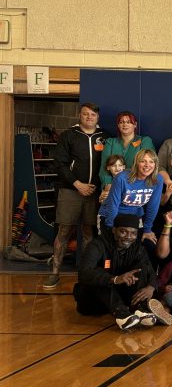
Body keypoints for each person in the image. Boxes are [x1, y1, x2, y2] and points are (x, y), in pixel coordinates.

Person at [72, 213, 172, 330]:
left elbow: (149, 270)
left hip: (122, 299)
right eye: (123, 232)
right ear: (114, 230)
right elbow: (84, 274)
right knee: (100, 274)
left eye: (133, 233)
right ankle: (122, 315)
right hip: (92, 302)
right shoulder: (97, 245)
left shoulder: (137, 248)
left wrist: (151, 287)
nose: (128, 237)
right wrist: (115, 279)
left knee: (142, 268)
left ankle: (140, 309)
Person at [45, 102, 106, 291]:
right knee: (64, 231)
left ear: (98, 118)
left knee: (89, 232)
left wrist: (93, 187)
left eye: (93, 115)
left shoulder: (104, 137)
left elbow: (109, 164)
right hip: (70, 190)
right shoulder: (68, 135)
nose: (89, 117)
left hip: (93, 192)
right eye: (85, 114)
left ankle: (85, 274)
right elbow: (59, 164)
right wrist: (77, 184)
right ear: (80, 115)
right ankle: (54, 273)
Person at [98, 149, 165, 244]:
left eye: (151, 161)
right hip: (111, 215)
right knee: (111, 246)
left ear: (155, 165)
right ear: (136, 163)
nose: (147, 165)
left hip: (134, 217)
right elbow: (112, 205)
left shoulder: (158, 179)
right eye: (143, 161)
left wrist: (147, 229)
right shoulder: (121, 178)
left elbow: (153, 206)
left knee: (141, 246)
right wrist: (110, 228)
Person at [98, 111, 156, 203]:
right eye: (121, 122)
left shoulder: (144, 141)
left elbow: (148, 166)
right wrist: (107, 187)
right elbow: (104, 167)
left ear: (135, 124)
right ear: (118, 125)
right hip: (113, 187)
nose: (125, 124)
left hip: (136, 188)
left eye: (128, 122)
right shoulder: (110, 142)